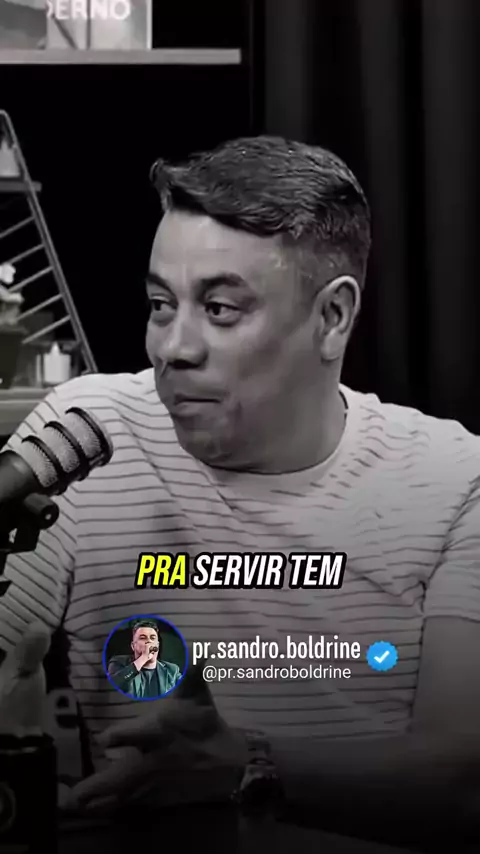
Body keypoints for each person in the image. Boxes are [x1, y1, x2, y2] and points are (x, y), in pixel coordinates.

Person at [0, 136, 479, 845]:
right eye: (160, 304)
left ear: (332, 318)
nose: (173, 348)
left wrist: (248, 767)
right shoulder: (89, 431)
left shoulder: (452, 477)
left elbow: (463, 783)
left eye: (220, 309)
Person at [107, 620, 183, 698]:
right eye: (143, 638)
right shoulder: (118, 663)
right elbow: (112, 685)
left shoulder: (172, 670)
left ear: (157, 645)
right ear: (133, 646)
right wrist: (143, 658)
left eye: (152, 638)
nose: (149, 641)